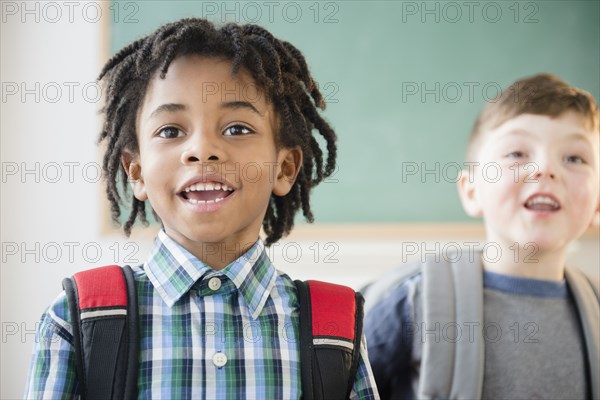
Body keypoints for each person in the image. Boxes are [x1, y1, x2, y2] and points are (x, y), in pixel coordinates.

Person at [24, 18, 379, 399]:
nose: (201, 149)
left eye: (237, 129)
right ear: (137, 172)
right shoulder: (79, 319)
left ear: (286, 168)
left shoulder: (335, 327)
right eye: (171, 131)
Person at [363, 73, 599, 400]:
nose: (545, 169)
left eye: (574, 158)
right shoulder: (413, 298)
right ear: (472, 190)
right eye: (517, 154)